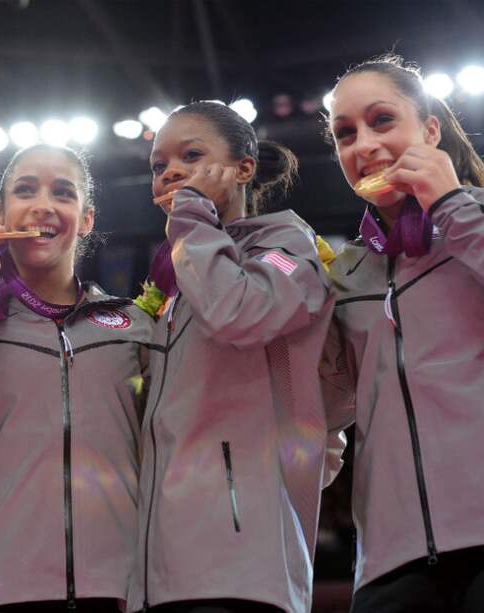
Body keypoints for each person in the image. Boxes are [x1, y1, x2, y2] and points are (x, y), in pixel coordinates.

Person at [324, 54, 484, 613]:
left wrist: (450, 206)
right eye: (345, 134)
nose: (364, 145)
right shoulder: (347, 272)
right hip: (388, 558)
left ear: (430, 130)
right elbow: (326, 411)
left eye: (381, 120)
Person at [0, 144, 154, 613]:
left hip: (121, 586)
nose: (43, 204)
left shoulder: (134, 325)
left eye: (63, 192)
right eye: (25, 190)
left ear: (86, 219)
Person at [127, 101, 335, 613]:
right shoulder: (170, 287)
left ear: (243, 169)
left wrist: (194, 213)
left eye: (192, 155)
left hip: (241, 563)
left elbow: (235, 313)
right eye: (159, 166)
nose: (171, 171)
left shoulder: (287, 247)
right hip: (160, 566)